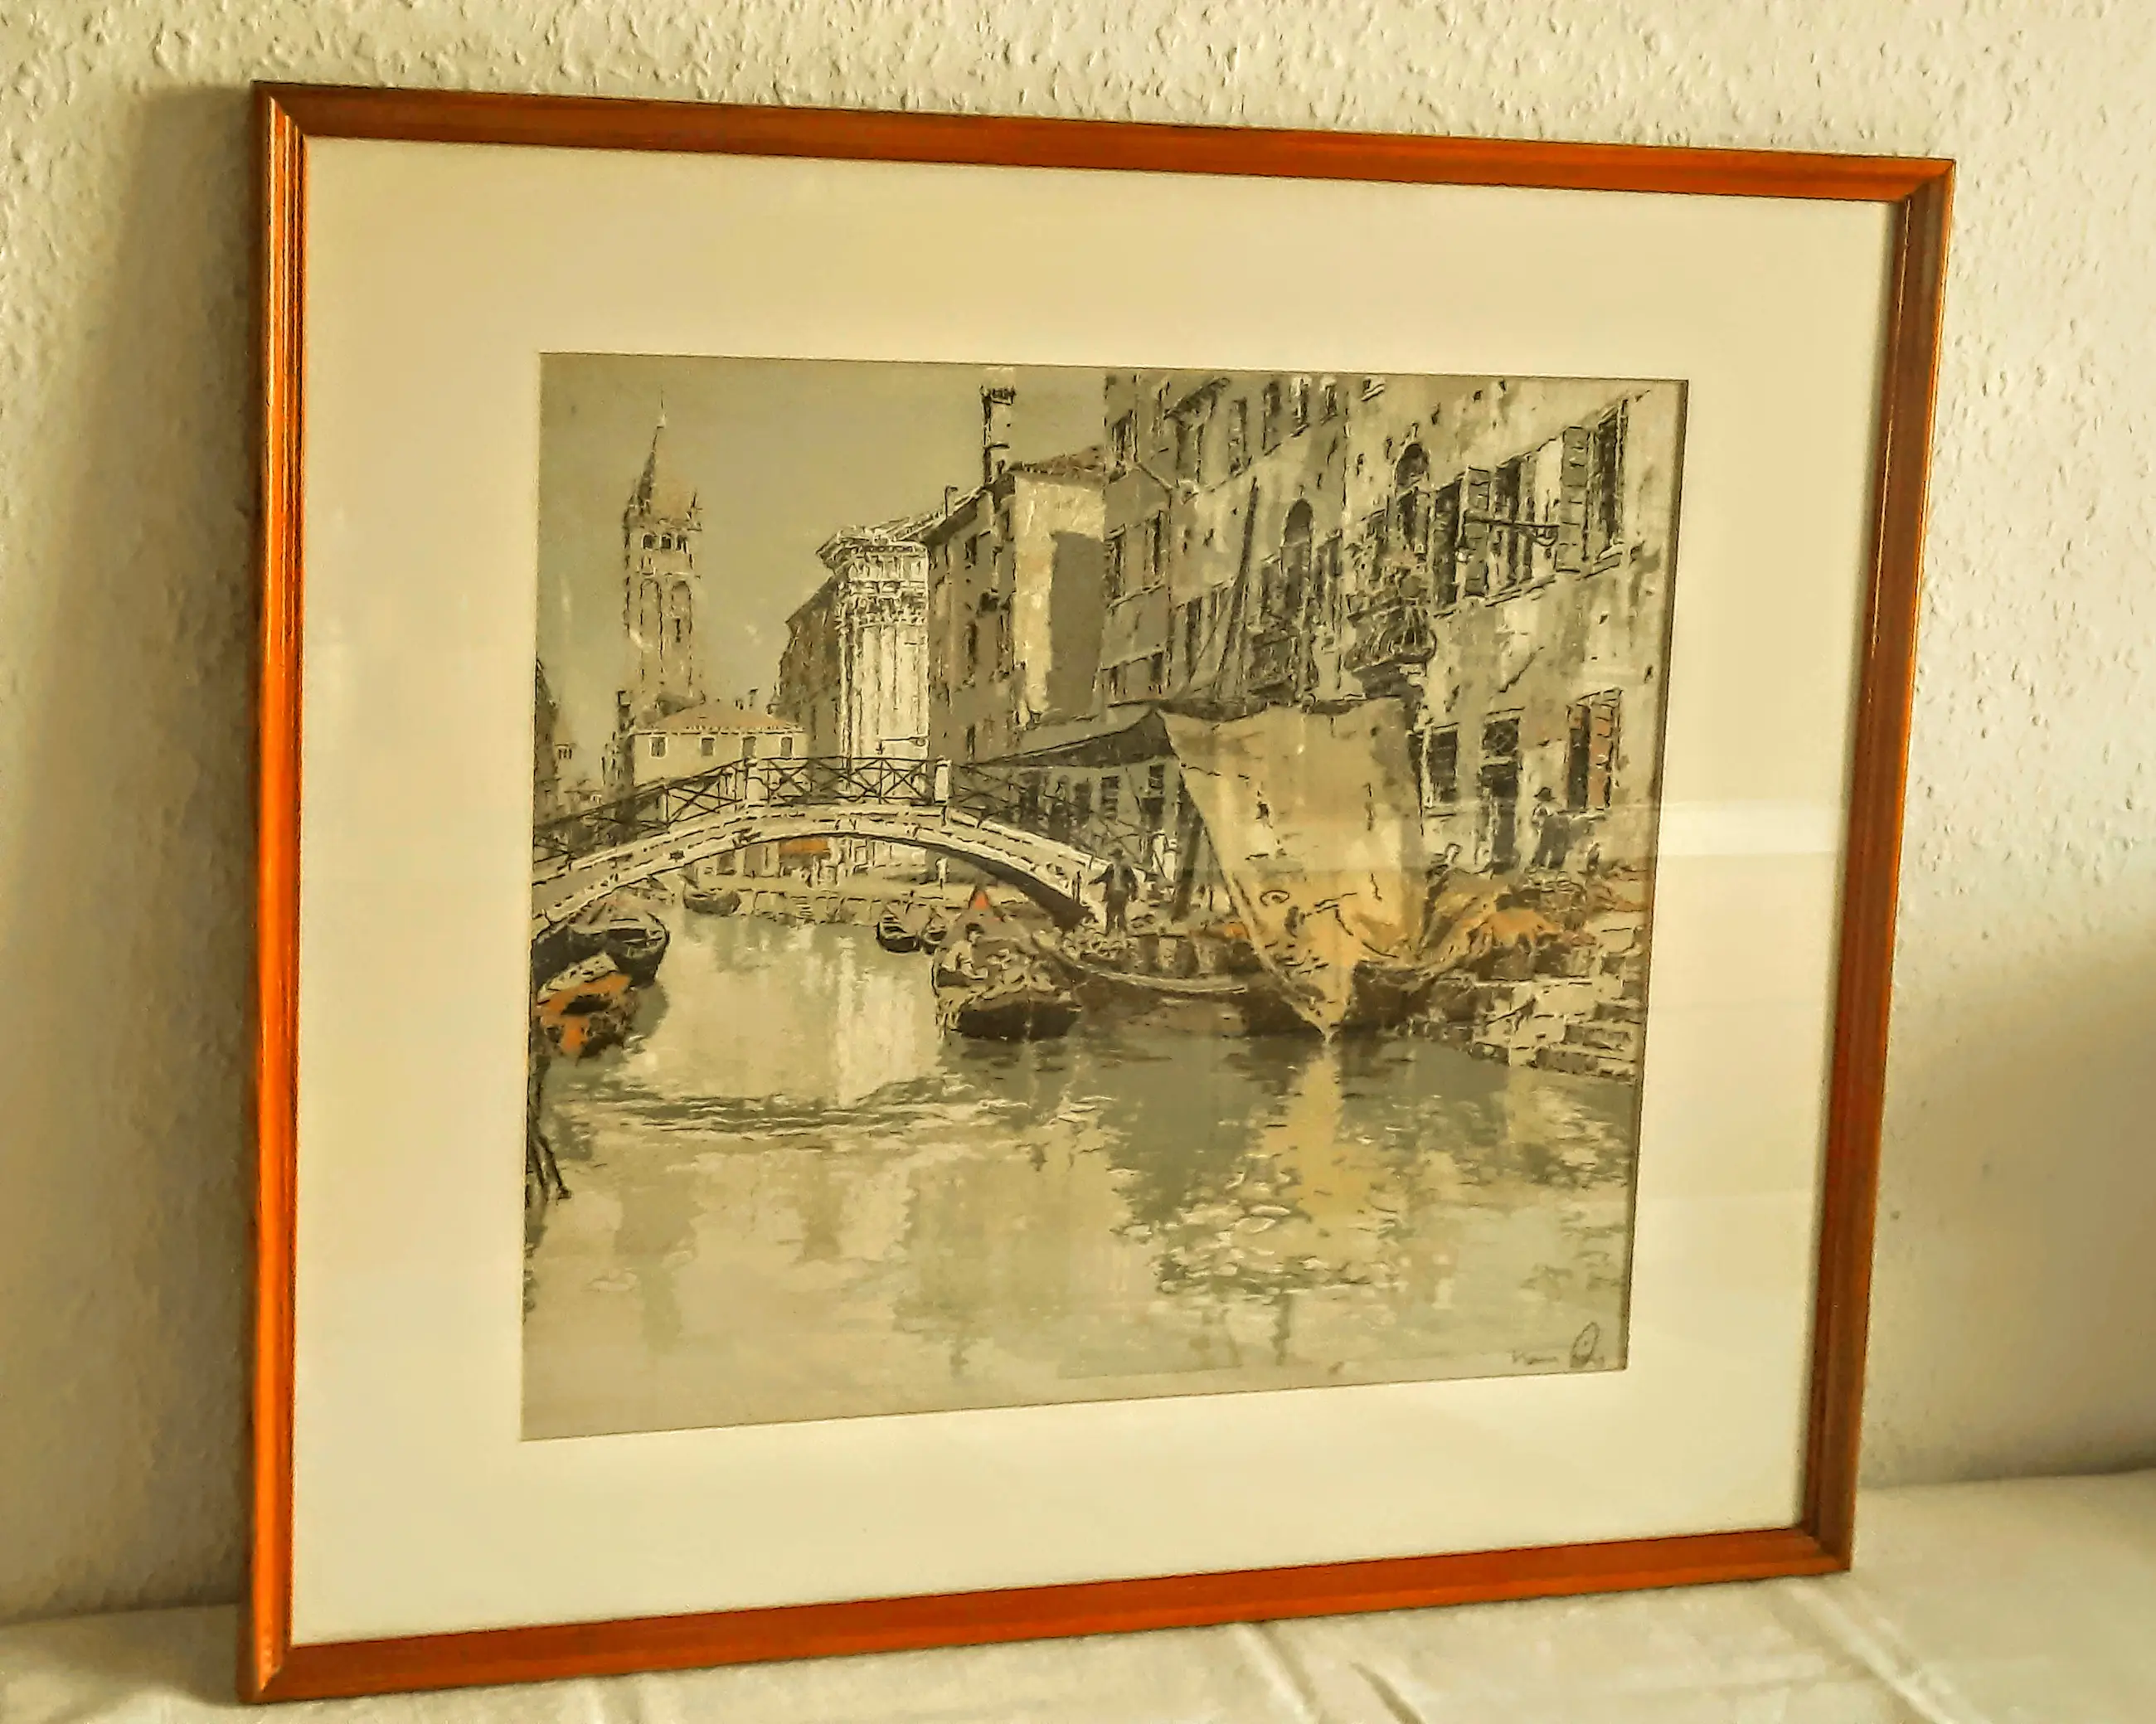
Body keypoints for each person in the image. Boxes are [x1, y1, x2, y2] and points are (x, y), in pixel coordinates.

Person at [1094, 850, 1141, 934]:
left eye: (1115, 858)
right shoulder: (1110, 868)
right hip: (1112, 893)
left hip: (1122, 893)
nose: (1114, 860)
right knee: (1110, 911)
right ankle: (1110, 930)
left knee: (1119, 911)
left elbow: (1133, 880)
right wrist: (1095, 881)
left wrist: (1134, 892)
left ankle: (1122, 930)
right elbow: (1104, 877)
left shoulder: (1126, 869)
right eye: (1113, 858)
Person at [1529, 787, 1572, 871]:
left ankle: (1538, 864)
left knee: (1544, 846)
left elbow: (1535, 820)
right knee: (1557, 847)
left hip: (1550, 828)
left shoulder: (1542, 807)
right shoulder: (1557, 806)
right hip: (1559, 829)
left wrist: (1539, 825)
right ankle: (1554, 865)